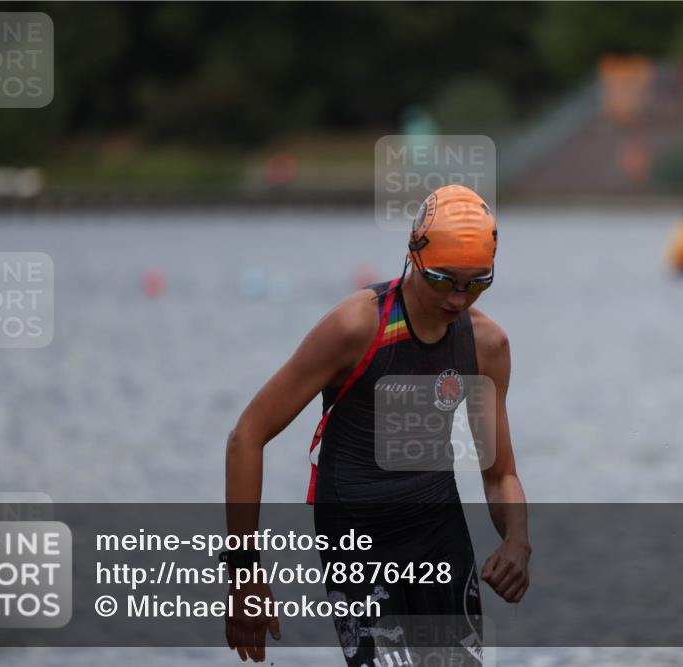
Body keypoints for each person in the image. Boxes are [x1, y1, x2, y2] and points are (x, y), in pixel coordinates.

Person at [224, 184, 530, 665]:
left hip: (438, 535)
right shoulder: (355, 328)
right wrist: (243, 575)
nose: (457, 299)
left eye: (476, 284)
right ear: (412, 254)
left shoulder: (486, 346)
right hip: (358, 539)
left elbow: (499, 474)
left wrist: (516, 538)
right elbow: (247, 436)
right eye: (444, 280)